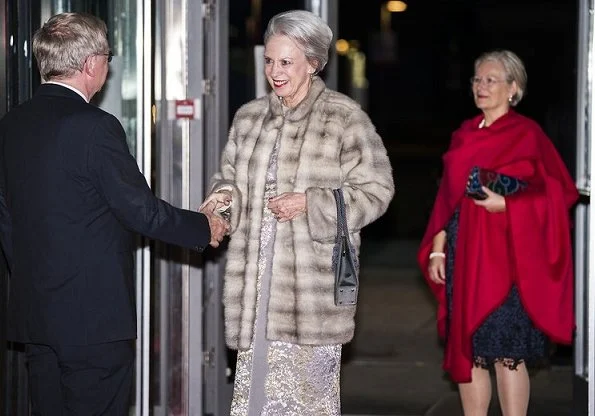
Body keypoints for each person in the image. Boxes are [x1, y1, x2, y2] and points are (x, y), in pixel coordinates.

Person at [0, 12, 229, 415]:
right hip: (93, 322)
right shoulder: (95, 127)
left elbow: (6, 218)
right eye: (107, 56)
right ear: (91, 64)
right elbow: (140, 212)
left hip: (36, 317)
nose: (108, 65)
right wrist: (202, 226)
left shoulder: (11, 125)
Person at [200, 9, 394, 415]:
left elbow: (377, 189)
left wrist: (313, 202)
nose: (274, 70)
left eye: (285, 61)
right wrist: (223, 199)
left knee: (307, 400)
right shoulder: (249, 118)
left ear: (313, 63)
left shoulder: (344, 118)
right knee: (255, 398)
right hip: (254, 287)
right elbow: (231, 179)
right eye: (269, 60)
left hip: (311, 292)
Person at [417, 49, 578, 415]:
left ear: (513, 88)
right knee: (469, 348)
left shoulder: (528, 134)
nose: (481, 86)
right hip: (465, 254)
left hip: (510, 258)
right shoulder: (463, 135)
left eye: (491, 80)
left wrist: (508, 205)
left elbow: (559, 193)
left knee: (507, 353)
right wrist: (438, 248)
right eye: (477, 79)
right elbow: (447, 199)